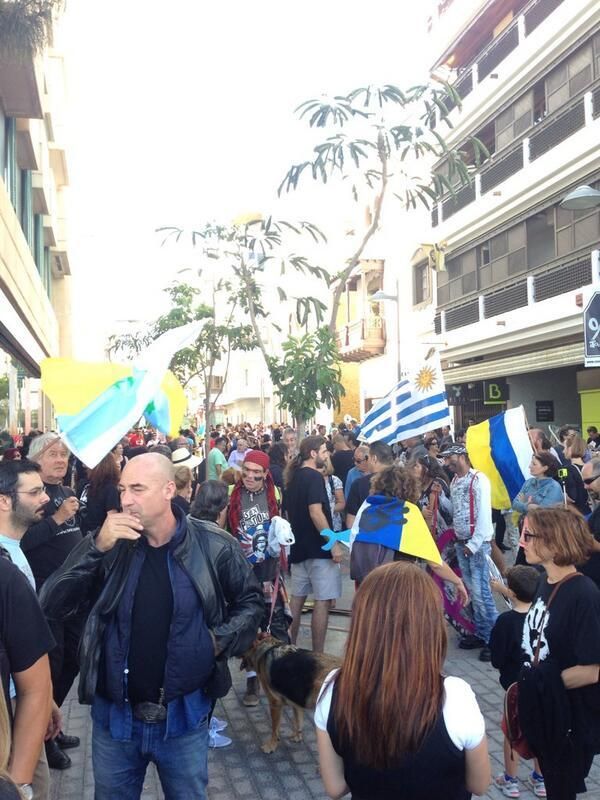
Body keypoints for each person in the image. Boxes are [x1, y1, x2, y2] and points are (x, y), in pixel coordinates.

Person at [40, 453, 263, 800]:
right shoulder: (108, 545)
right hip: (116, 721)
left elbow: (250, 603)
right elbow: (52, 604)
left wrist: (215, 643)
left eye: (138, 489)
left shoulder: (214, 544)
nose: (126, 499)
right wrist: (96, 547)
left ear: (169, 490)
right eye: (123, 489)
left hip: (184, 718)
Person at [314, 561, 491, 800]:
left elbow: (335, 788)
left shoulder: (333, 687)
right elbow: (479, 784)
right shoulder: (456, 696)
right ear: (429, 626)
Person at [519, 507, 600, 800]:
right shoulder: (545, 580)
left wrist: (538, 685)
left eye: (528, 535)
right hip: (548, 712)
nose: (521, 541)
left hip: (570, 722)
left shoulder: (584, 595)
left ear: (555, 542)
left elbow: (592, 669)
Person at [19, 434, 83, 770]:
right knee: (50, 669)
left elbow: (78, 535)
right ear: (34, 460)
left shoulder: (67, 492)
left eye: (64, 455)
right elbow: (23, 542)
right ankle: (43, 741)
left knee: (72, 662)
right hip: (45, 600)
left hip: (75, 597)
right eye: (53, 454)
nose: (61, 460)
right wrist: (56, 518)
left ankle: (53, 728)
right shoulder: (29, 498)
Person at [0, 461, 58, 799]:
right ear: (4, 501)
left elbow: (28, 654)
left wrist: (18, 786)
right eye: (34, 491)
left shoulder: (9, 566)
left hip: (17, 710)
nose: (46, 498)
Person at [227, 449, 291, 705]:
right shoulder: (232, 494)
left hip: (270, 569)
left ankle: (284, 680)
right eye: (247, 471)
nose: (250, 476)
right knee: (249, 625)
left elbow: (283, 523)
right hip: (243, 571)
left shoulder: (274, 494)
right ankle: (253, 683)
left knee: (276, 623)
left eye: (257, 472)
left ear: (266, 474)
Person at [489, 565, 546, 798]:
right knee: (541, 730)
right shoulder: (544, 616)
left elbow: (496, 658)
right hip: (541, 685)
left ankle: (511, 780)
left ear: (510, 592)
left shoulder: (505, 621)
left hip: (514, 686)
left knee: (511, 730)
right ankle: (541, 779)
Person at [284, 436, 342, 653]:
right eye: (324, 451)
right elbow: (316, 512)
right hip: (319, 548)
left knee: (297, 601)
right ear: (313, 453)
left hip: (299, 547)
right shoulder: (314, 478)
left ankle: (291, 649)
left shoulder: (293, 477)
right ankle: (318, 655)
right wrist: (333, 543)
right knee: (322, 601)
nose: (327, 455)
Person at [441, 444, 498, 661]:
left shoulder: (478, 479)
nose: (447, 463)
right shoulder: (455, 481)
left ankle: (493, 640)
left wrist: (473, 544)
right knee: (473, 593)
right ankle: (482, 633)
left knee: (482, 594)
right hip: (462, 543)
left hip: (476, 545)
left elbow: (484, 514)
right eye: (445, 459)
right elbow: (455, 509)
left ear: (463, 456)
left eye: (450, 458)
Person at [345, 441, 395, 528]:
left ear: (374, 458)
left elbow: (350, 523)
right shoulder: (405, 482)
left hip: (367, 537)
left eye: (368, 458)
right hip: (399, 536)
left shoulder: (359, 484)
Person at [79, 453, 121, 535]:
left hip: (93, 535)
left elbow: (112, 516)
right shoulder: (85, 483)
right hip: (87, 535)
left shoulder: (110, 488)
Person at [321, 458, 345, 533]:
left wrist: (329, 509)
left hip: (334, 525)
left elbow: (342, 503)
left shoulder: (334, 480)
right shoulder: (311, 480)